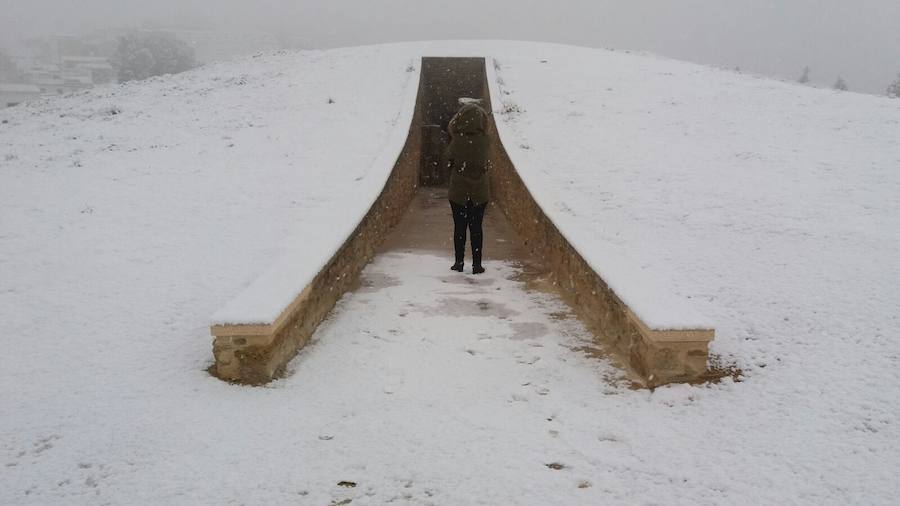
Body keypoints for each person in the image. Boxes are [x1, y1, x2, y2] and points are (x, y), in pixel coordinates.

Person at [444, 102, 491, 274]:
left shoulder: (457, 140)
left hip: (459, 191)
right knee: (476, 227)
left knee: (460, 227)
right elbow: (486, 163)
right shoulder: (485, 141)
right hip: (480, 192)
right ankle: (477, 264)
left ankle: (459, 262)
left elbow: (448, 160)